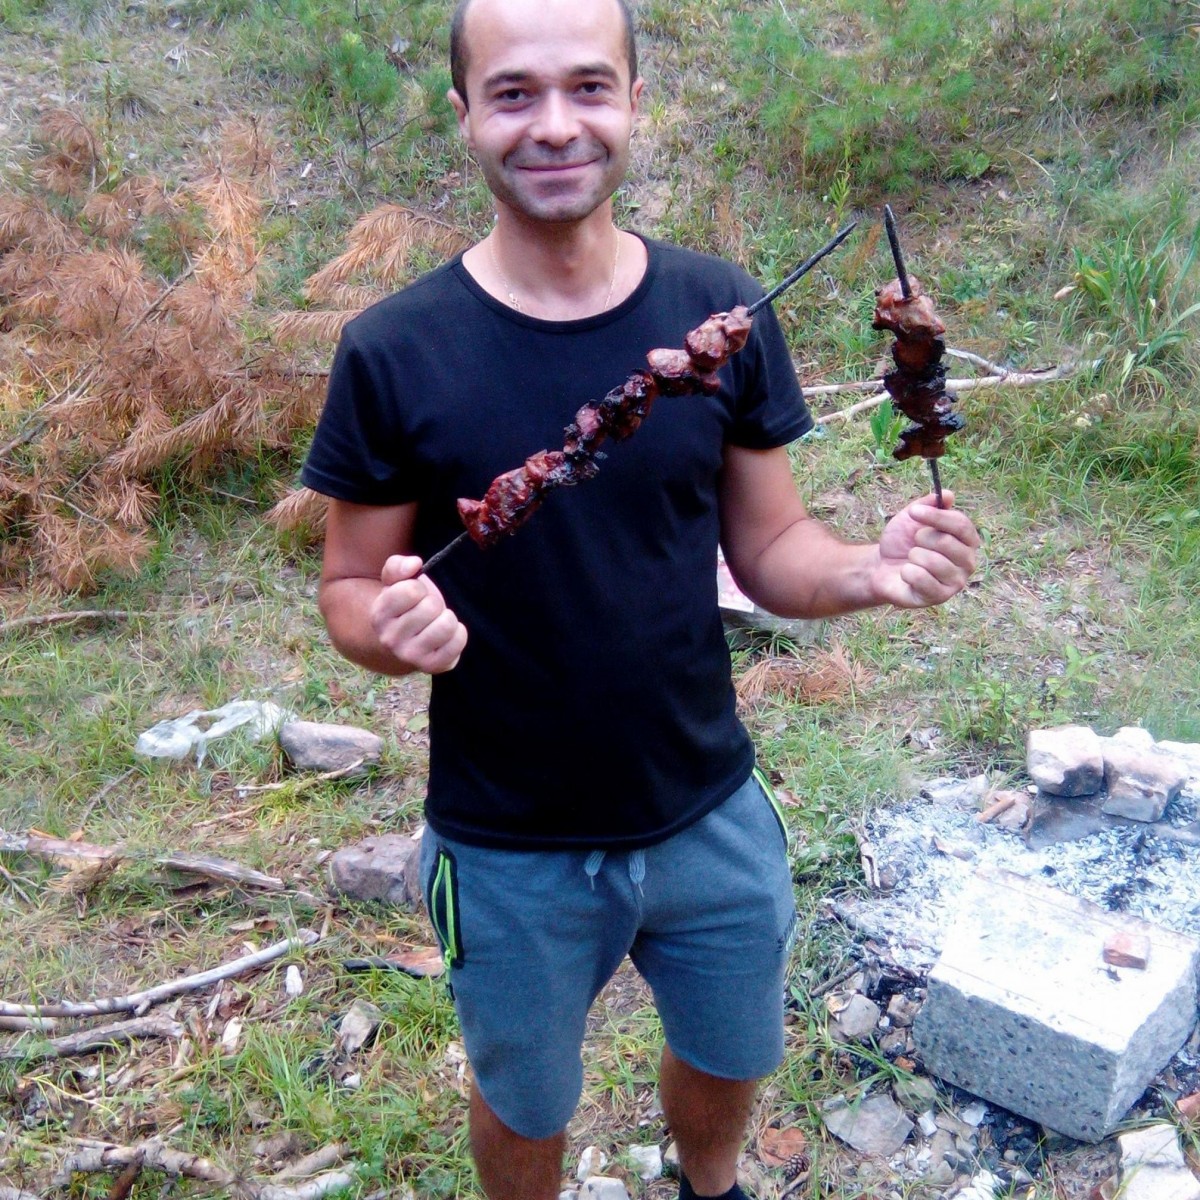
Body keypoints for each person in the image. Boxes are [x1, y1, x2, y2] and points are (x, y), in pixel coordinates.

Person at [301, 0, 981, 1196]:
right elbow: (352, 588)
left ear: (632, 101)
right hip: (506, 840)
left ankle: (709, 1186)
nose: (555, 125)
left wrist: (867, 572)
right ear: (464, 114)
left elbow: (771, 547)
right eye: (514, 93)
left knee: (733, 1052)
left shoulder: (720, 309)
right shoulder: (393, 349)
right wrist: (391, 631)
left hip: (705, 805)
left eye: (588, 86)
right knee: (524, 1097)